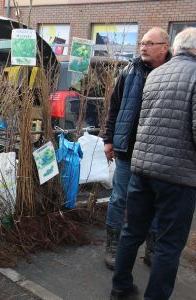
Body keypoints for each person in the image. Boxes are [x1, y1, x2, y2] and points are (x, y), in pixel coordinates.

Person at [110, 27, 196, 300]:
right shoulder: (193, 76)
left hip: (143, 166)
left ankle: (120, 288)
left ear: (171, 46)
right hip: (177, 173)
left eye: (150, 43)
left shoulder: (156, 75)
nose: (143, 47)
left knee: (132, 230)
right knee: (169, 245)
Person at [102, 27, 171, 270]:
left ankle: (152, 247)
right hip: (127, 150)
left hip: (159, 153)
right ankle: (113, 245)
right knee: (120, 197)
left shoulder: (175, 73)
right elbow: (114, 107)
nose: (143, 47)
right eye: (142, 42)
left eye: (150, 43)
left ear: (165, 47)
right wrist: (108, 139)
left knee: (156, 201)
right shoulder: (129, 71)